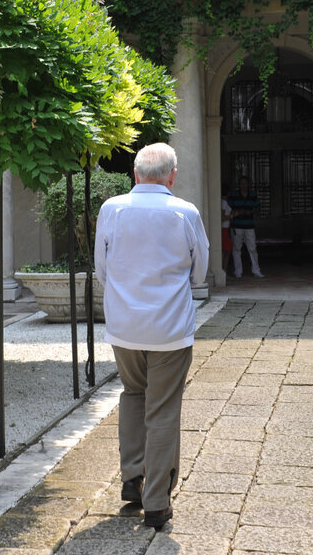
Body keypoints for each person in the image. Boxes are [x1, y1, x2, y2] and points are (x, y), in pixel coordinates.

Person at [94, 143, 210, 530]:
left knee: (132, 394)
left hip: (125, 325)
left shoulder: (112, 208)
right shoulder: (185, 212)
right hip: (169, 327)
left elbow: (102, 269)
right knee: (162, 408)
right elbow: (200, 271)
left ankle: (132, 477)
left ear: (135, 173)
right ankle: (156, 501)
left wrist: (126, 296)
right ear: (172, 176)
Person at [228, 176, 264, 278]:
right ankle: (238, 271)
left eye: (245, 183)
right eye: (242, 183)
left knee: (252, 248)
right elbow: (227, 206)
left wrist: (251, 211)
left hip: (249, 226)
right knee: (236, 249)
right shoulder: (234, 195)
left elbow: (258, 207)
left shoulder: (253, 195)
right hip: (237, 226)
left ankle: (256, 270)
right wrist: (236, 212)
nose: (244, 185)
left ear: (248, 184)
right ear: (239, 184)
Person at [221, 184, 232, 272]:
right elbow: (222, 216)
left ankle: (224, 270)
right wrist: (232, 216)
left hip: (226, 228)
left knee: (226, 251)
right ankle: (224, 270)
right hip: (224, 228)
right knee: (226, 251)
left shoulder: (224, 202)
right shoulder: (224, 203)